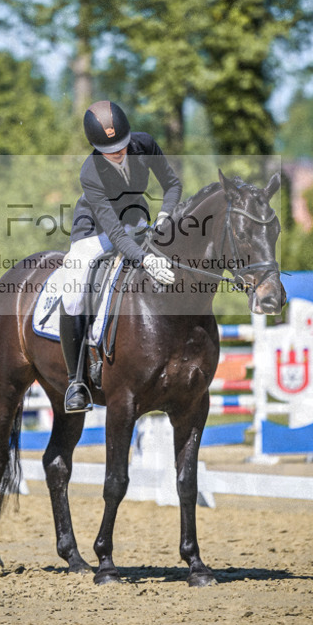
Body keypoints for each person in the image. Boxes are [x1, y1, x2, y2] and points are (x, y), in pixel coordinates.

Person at [59, 100, 182, 411]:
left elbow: (172, 184)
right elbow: (114, 235)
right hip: (95, 230)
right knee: (72, 292)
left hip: (136, 218)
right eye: (109, 148)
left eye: (122, 145)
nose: (118, 152)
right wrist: (144, 259)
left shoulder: (144, 144)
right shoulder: (90, 172)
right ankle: (76, 382)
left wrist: (166, 214)